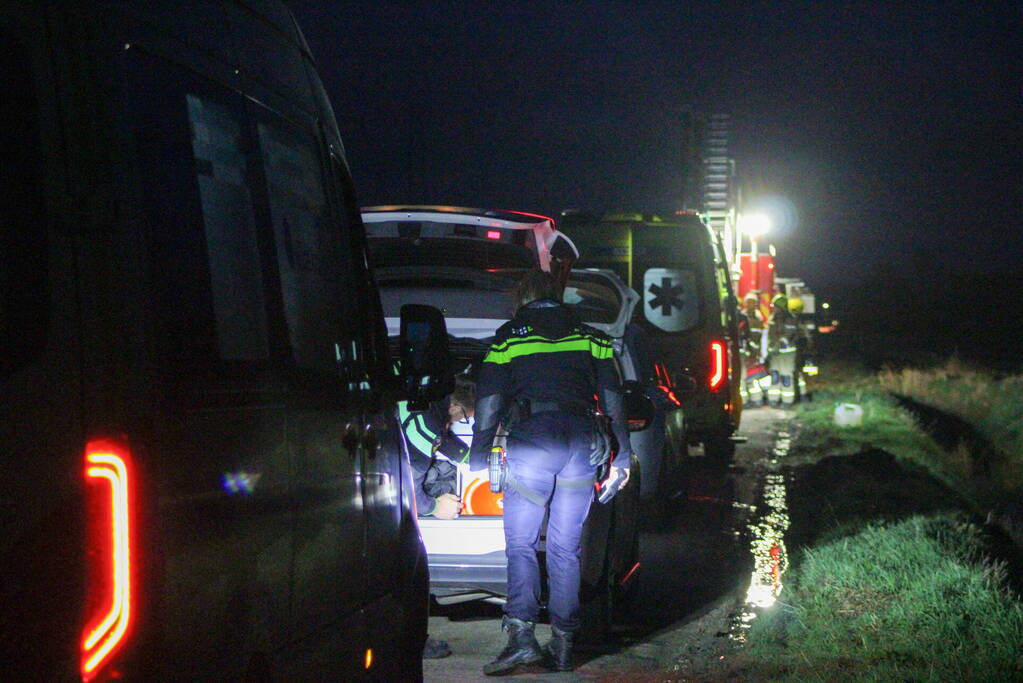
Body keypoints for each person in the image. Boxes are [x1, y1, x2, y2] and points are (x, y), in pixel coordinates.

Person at [470, 269, 631, 675]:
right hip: (581, 446)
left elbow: (489, 397)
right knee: (565, 548)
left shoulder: (509, 337)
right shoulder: (591, 336)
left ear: (522, 298)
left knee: (522, 545)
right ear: (557, 296)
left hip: (532, 444)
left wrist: (479, 448)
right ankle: (563, 644)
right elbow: (613, 398)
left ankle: (522, 639)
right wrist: (623, 456)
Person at [398, 374, 476, 660]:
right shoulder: (426, 428)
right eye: (463, 418)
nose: (457, 423)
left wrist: (470, 458)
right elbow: (407, 491)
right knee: (412, 572)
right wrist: (435, 507)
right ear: (455, 406)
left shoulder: (424, 404)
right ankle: (412, 642)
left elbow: (442, 437)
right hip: (382, 507)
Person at [765, 293, 800, 405]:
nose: (773, 308)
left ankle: (787, 401)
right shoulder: (773, 318)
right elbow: (769, 335)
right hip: (775, 354)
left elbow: (788, 335)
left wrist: (779, 344)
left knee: (786, 377)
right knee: (774, 376)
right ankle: (773, 399)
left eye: (774, 306)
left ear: (780, 307)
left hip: (787, 354)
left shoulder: (790, 318)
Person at [739, 292, 767, 406]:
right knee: (743, 375)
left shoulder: (758, 317)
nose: (750, 305)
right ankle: (745, 401)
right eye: (748, 302)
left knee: (753, 376)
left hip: (755, 352)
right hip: (745, 350)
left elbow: (762, 335)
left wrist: (760, 352)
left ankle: (757, 400)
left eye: (752, 302)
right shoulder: (741, 316)